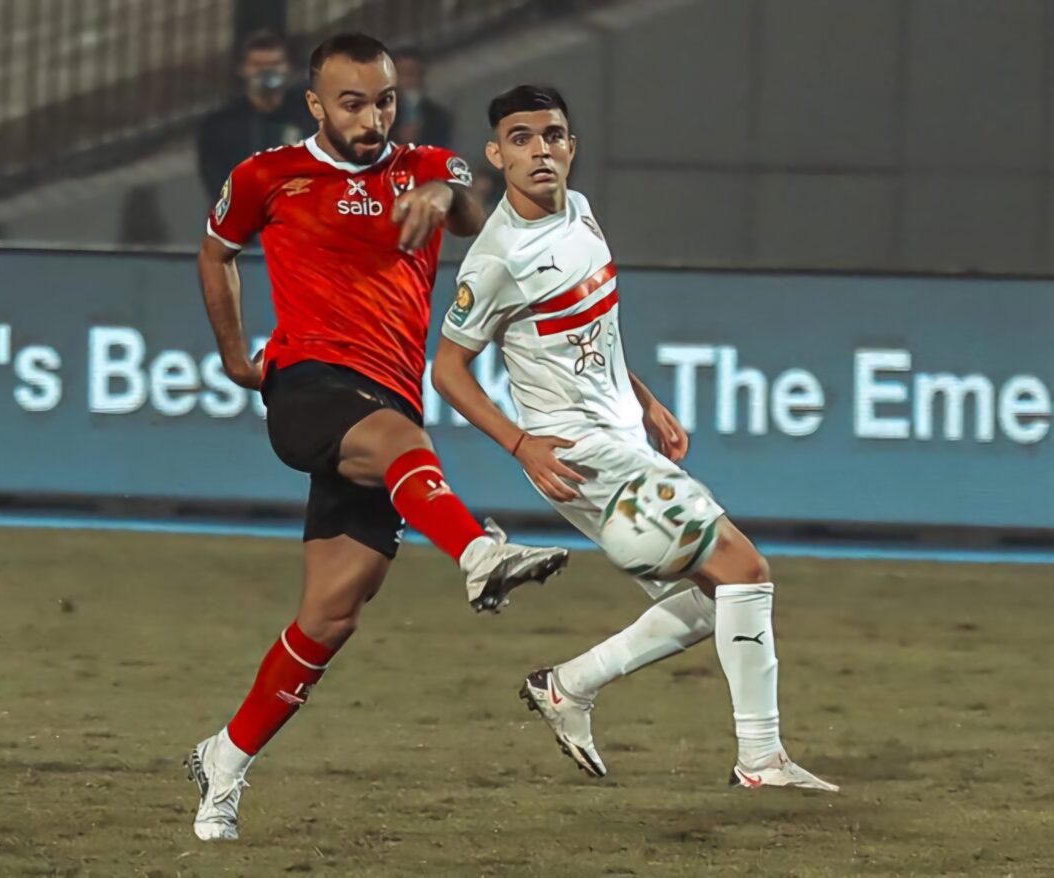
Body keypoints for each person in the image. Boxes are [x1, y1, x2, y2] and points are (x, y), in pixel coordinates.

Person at [187, 38, 570, 842]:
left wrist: (440, 192)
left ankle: (224, 758)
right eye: (353, 102)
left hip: (387, 395)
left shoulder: (425, 164)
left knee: (332, 614)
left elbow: (471, 206)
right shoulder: (266, 175)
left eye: (384, 100)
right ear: (316, 105)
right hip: (309, 387)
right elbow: (217, 251)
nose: (372, 117)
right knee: (400, 443)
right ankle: (478, 554)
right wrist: (234, 356)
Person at [431, 85, 837, 792]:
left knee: (720, 593)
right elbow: (447, 370)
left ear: (572, 146)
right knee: (746, 571)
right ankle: (761, 760)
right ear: (496, 155)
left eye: (553, 135)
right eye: (521, 139)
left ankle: (568, 686)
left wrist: (645, 402)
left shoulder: (582, 213)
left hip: (622, 437)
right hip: (578, 454)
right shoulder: (498, 258)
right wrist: (521, 445)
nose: (540, 150)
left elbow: (596, 335)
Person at [196, 31, 313, 201]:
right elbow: (216, 179)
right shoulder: (220, 126)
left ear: (288, 67)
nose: (266, 71)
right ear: (242, 69)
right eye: (257, 65)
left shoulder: (310, 116)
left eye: (275, 64)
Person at [388, 47, 453, 148]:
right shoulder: (381, 115)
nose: (409, 80)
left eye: (414, 73)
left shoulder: (438, 116)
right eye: (403, 74)